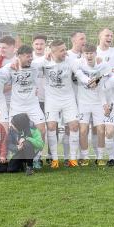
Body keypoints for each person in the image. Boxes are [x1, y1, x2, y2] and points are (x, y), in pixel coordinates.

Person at [37, 40, 81, 168]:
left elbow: (80, 68)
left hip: (68, 99)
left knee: (74, 126)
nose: (65, 52)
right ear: (53, 52)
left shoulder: (70, 60)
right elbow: (31, 64)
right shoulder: (44, 61)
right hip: (51, 100)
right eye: (62, 50)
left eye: (65, 49)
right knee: (51, 126)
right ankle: (54, 159)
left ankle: (73, 159)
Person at [74, 44, 113, 165]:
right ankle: (85, 157)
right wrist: (89, 81)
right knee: (83, 130)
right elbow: (79, 74)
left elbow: (105, 86)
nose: (89, 55)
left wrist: (105, 104)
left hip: (98, 103)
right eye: (87, 53)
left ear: (96, 54)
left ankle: (100, 157)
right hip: (83, 103)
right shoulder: (78, 63)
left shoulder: (104, 66)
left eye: (91, 53)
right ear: (83, 54)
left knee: (101, 130)